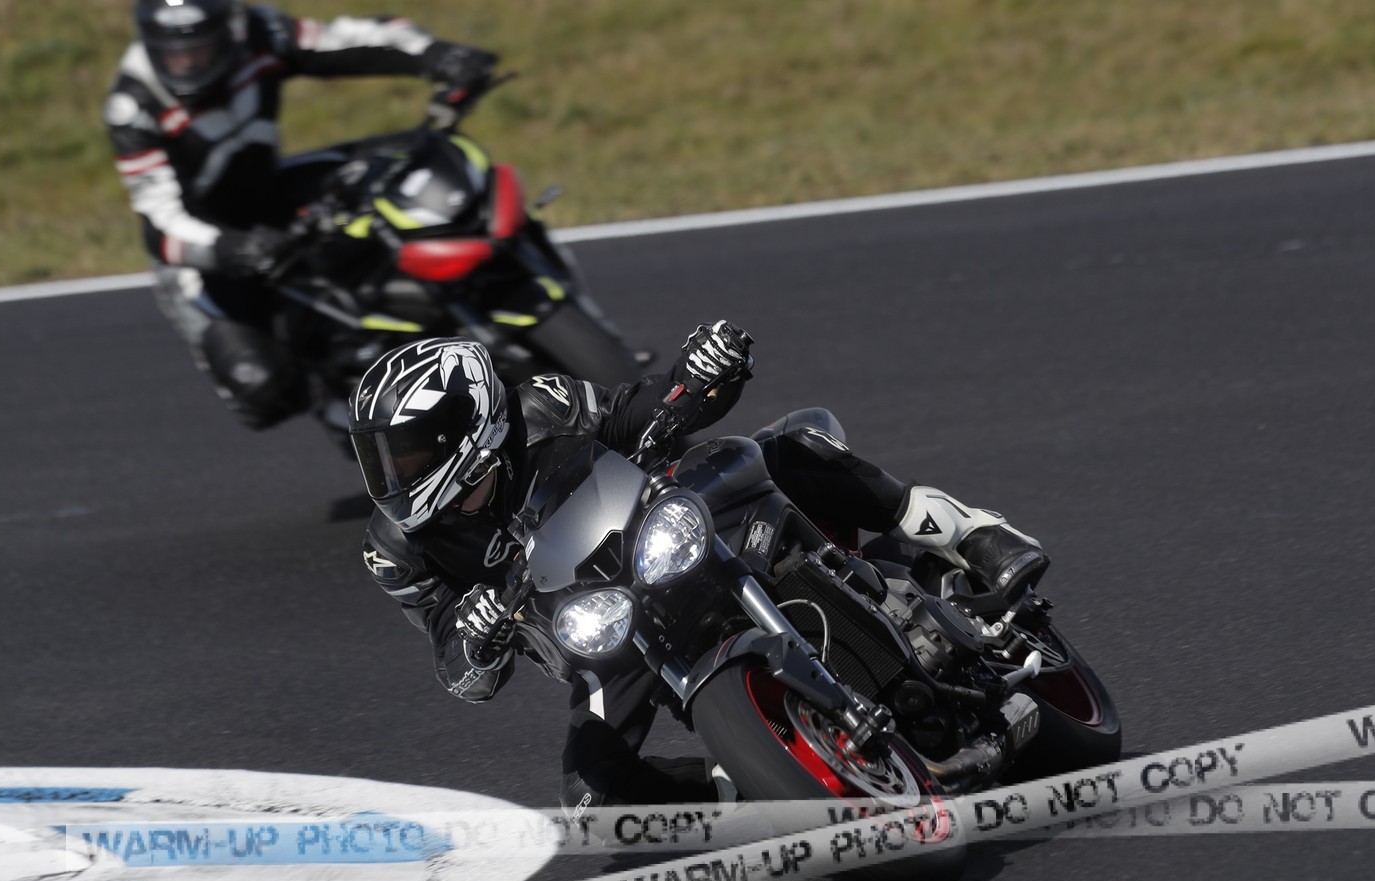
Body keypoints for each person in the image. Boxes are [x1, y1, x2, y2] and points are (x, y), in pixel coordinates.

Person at [350, 322, 1049, 812]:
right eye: (380, 456)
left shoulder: (541, 407)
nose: (394, 474)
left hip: (667, 528)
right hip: (603, 632)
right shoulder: (397, 549)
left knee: (790, 447)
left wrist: (701, 371)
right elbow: (457, 666)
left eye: (408, 452)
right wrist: (473, 636)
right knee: (594, 800)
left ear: (469, 423)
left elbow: (635, 412)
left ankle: (972, 534)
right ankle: (752, 790)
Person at [104, 0, 497, 429]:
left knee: (409, 160)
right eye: (173, 53)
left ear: (230, 31)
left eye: (200, 48)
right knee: (261, 389)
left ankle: (500, 273)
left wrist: (436, 53)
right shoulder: (133, 106)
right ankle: (342, 402)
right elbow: (161, 223)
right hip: (207, 249)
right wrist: (234, 248)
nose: (187, 63)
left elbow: (346, 39)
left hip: (272, 192)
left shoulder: (259, 33)